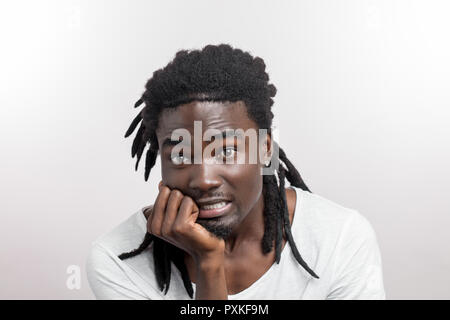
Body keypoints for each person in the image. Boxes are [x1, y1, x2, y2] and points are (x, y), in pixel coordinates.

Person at [86, 44, 386, 300]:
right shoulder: (117, 260)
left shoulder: (340, 239)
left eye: (227, 150)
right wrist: (209, 265)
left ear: (265, 149)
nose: (204, 179)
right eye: (180, 154)